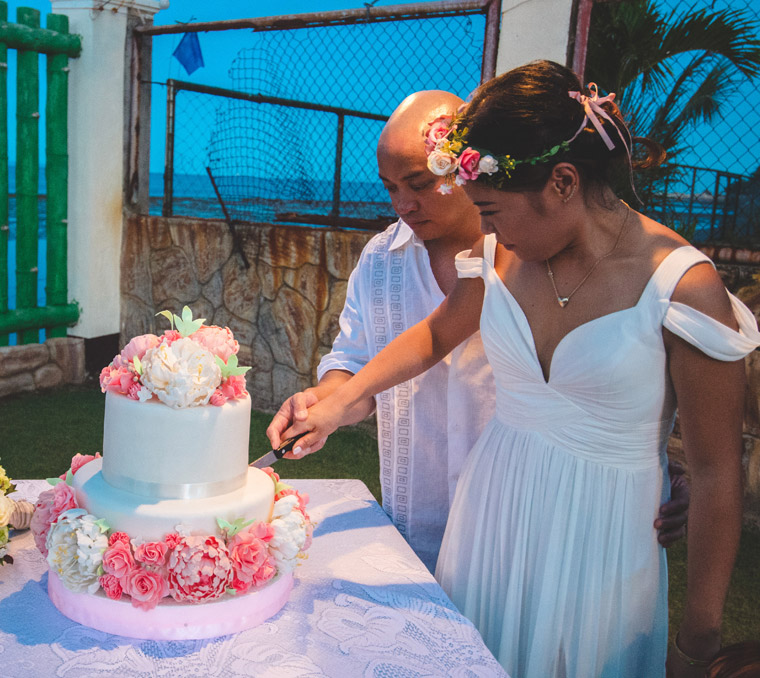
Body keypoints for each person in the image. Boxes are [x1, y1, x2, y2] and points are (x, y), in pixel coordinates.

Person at [280, 61, 758, 677]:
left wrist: (698, 638)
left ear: (562, 181)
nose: (483, 229)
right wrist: (339, 403)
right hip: (490, 514)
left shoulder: (684, 289)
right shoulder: (499, 254)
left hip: (604, 540)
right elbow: (432, 336)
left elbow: (719, 474)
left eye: (494, 211)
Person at [266, 90, 688, 569]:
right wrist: (328, 401)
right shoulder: (381, 261)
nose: (403, 203)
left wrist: (644, 463)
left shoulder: (536, 263)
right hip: (413, 513)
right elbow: (356, 364)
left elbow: (605, 371)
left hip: (524, 519)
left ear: (466, 169)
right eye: (389, 187)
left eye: (420, 183)